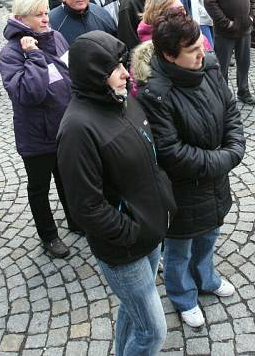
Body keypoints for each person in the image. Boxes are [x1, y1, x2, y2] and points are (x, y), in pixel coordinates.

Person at [57, 30, 176, 355]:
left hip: (148, 233)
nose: (127, 73)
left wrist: (162, 198)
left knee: (133, 310)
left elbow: (149, 157)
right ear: (95, 75)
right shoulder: (77, 130)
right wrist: (132, 232)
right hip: (125, 250)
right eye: (116, 68)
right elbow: (86, 207)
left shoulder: (121, 100)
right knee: (152, 331)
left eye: (124, 63)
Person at [134, 9, 244, 328]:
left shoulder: (208, 66)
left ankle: (206, 278)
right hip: (181, 193)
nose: (203, 52)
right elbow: (172, 153)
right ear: (169, 55)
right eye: (193, 50)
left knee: (209, 236)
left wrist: (233, 145)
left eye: (201, 45)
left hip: (213, 184)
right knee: (179, 250)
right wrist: (225, 159)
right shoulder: (155, 94)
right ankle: (182, 296)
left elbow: (230, 110)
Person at [0, 0, 78, 258]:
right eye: (39, 14)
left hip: (65, 126)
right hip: (37, 134)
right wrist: (33, 55)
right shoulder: (11, 53)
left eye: (46, 12)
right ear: (21, 18)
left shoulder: (55, 37)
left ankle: (75, 219)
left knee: (67, 178)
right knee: (39, 187)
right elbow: (28, 93)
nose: (46, 18)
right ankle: (49, 235)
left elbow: (71, 72)